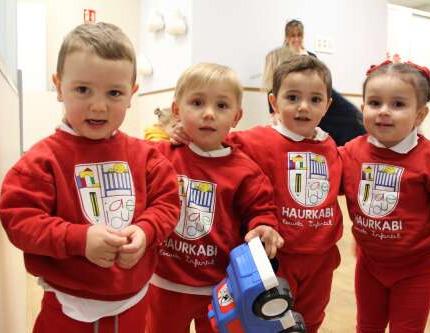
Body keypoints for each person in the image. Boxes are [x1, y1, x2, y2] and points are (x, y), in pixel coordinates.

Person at [0, 22, 180, 333]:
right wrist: (79, 239)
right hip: (66, 309)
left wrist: (146, 231)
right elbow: (20, 221)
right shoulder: (41, 161)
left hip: (134, 304)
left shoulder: (148, 157)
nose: (98, 105)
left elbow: (168, 203)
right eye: (82, 90)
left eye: (114, 93)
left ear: (131, 94)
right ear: (58, 87)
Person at [171, 55, 343, 332]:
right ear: (274, 102)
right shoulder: (256, 139)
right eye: (292, 97)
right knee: (268, 321)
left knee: (310, 320)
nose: (303, 107)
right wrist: (183, 130)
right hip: (276, 256)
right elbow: (214, 136)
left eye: (315, 99)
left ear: (327, 105)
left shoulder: (331, 145)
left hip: (321, 258)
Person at [146, 63, 284, 333]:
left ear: (236, 116)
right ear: (177, 110)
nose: (208, 114)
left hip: (221, 285)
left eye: (221, 106)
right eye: (197, 103)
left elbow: (261, 208)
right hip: (165, 281)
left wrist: (264, 226)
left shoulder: (245, 170)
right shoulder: (160, 155)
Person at [340, 60, 430, 333]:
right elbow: (326, 182)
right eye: (375, 103)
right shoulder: (350, 152)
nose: (384, 112)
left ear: (420, 115)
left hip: (416, 268)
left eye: (398, 105)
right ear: (363, 108)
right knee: (367, 326)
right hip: (370, 264)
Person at [263, 19, 365, 146]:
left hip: (345, 121)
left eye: (299, 35)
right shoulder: (278, 56)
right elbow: (272, 86)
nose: (296, 39)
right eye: (292, 35)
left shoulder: (310, 57)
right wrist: (273, 111)